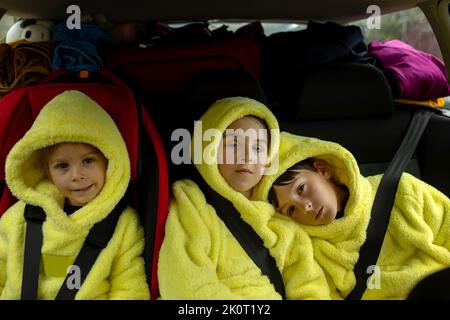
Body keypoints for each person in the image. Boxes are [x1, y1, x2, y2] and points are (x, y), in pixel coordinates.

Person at [158, 97, 329, 299]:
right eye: (233, 145)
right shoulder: (191, 203)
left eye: (258, 148)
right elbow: (186, 284)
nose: (246, 156)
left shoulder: (281, 216)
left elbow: (310, 285)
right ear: (208, 150)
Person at [252, 131, 450, 299]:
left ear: (323, 170)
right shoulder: (310, 247)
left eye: (302, 188)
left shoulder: (402, 190)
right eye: (291, 209)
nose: (306, 207)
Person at [0, 90, 149, 300]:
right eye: (62, 166)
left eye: (88, 161)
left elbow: (129, 289)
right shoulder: (18, 219)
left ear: (109, 161)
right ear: (46, 170)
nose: (77, 176)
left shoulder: (123, 225)